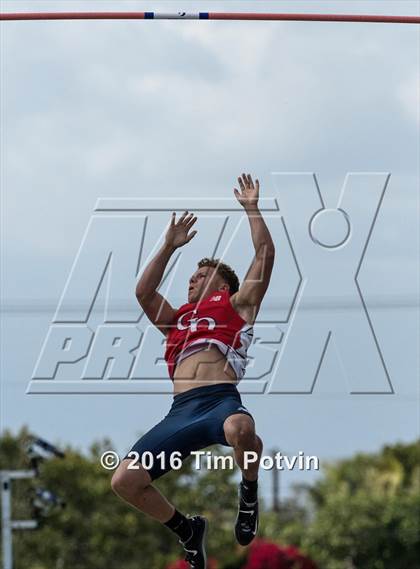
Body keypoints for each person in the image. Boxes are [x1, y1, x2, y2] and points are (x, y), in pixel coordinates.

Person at [111, 174, 275, 568]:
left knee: (242, 430)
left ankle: (248, 495)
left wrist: (252, 209)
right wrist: (168, 246)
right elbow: (143, 293)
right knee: (124, 482)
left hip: (219, 401)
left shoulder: (237, 305)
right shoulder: (176, 319)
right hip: (181, 412)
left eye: (201, 276)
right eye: (190, 277)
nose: (192, 280)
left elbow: (265, 254)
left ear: (222, 284)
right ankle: (187, 530)